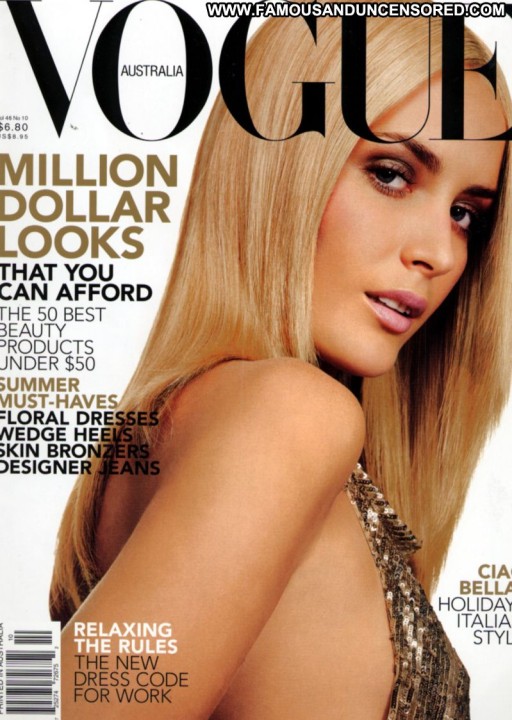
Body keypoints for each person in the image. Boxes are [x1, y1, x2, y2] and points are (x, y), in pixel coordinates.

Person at [50, 12, 511, 720]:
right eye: (391, 175)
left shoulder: (190, 423)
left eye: (465, 214)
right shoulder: (289, 415)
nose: (441, 254)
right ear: (283, 166)